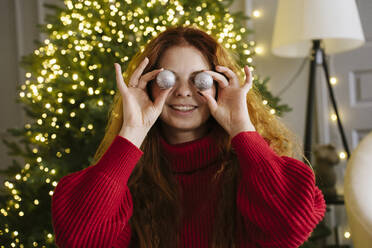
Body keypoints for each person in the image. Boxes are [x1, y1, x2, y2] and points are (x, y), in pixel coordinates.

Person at [51, 26, 326, 248]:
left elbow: (292, 226)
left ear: (219, 86)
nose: (184, 92)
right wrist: (132, 131)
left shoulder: (251, 170)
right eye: (168, 80)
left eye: (200, 80)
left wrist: (241, 126)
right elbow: (80, 240)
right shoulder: (127, 176)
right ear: (148, 85)